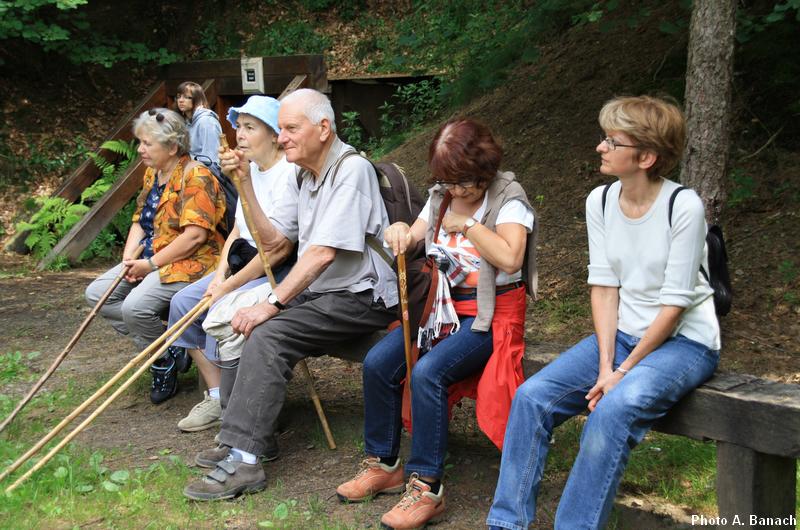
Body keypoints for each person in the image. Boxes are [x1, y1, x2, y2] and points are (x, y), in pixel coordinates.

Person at [486, 96, 720, 530]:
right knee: (531, 398)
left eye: (613, 141)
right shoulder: (601, 200)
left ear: (646, 157)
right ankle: (506, 523)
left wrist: (621, 374)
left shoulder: (682, 206)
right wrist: (606, 363)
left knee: (613, 409)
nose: (601, 147)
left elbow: (675, 304)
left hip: (685, 343)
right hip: (624, 335)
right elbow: (604, 285)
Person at [183, 88, 398, 501]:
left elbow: (321, 253)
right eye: (280, 129)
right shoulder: (305, 173)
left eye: (290, 128)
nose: (281, 138)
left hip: (363, 294)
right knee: (237, 320)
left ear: (323, 129)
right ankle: (246, 440)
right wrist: (243, 185)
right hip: (326, 290)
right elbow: (274, 242)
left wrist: (272, 302)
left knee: (268, 332)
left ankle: (245, 461)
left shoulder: (350, 170)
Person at [336, 118, 538, 530]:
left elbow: (510, 258)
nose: (457, 190)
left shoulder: (508, 199)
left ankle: (427, 487)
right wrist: (398, 232)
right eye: (448, 181)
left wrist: (469, 225)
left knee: (428, 373)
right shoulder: (440, 196)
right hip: (441, 312)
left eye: (464, 181)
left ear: (485, 168)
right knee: (379, 362)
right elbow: (413, 237)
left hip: (489, 317)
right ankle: (384, 463)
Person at [166, 95, 297, 431]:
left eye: (250, 127)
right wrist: (219, 274)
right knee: (183, 303)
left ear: (273, 134)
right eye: (238, 125)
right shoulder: (248, 170)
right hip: (240, 263)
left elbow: (277, 251)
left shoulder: (289, 174)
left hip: (274, 270)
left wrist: (226, 287)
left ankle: (234, 404)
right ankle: (215, 395)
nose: (239, 134)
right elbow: (238, 229)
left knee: (219, 305)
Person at [85, 108, 226, 403]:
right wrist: (128, 261)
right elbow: (140, 219)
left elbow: (195, 236)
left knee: (134, 308)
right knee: (97, 293)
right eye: (140, 142)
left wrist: (149, 264)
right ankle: (169, 348)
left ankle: (161, 362)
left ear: (173, 147)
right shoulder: (153, 173)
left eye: (148, 143)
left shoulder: (197, 176)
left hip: (191, 264)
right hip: (151, 258)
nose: (140, 149)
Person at [176, 81, 222, 164]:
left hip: (205, 173)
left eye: (187, 97)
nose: (181, 100)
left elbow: (211, 160)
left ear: (197, 99)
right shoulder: (187, 121)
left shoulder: (207, 122)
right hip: (191, 170)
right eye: (179, 97)